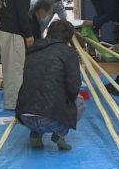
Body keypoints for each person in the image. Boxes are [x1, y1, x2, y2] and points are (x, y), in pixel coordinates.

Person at [16, 20, 85, 151]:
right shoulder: (69, 53)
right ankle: (59, 134)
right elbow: (73, 88)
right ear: (69, 38)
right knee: (80, 103)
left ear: (48, 33)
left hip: (24, 116)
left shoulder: (32, 49)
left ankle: (35, 134)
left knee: (38, 97)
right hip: (50, 118)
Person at [0, 0, 43, 110]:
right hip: (14, 31)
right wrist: (28, 34)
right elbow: (22, 12)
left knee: (9, 67)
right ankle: (14, 104)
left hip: (4, 29)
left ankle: (12, 101)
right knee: (16, 69)